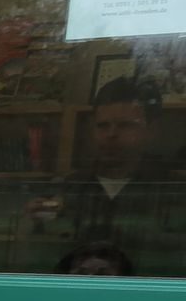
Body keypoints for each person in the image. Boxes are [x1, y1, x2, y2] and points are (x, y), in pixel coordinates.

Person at [31, 77, 184, 276]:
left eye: (125, 125)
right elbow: (41, 260)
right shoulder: (68, 188)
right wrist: (34, 223)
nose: (111, 134)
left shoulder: (175, 190)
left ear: (152, 130)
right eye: (102, 126)